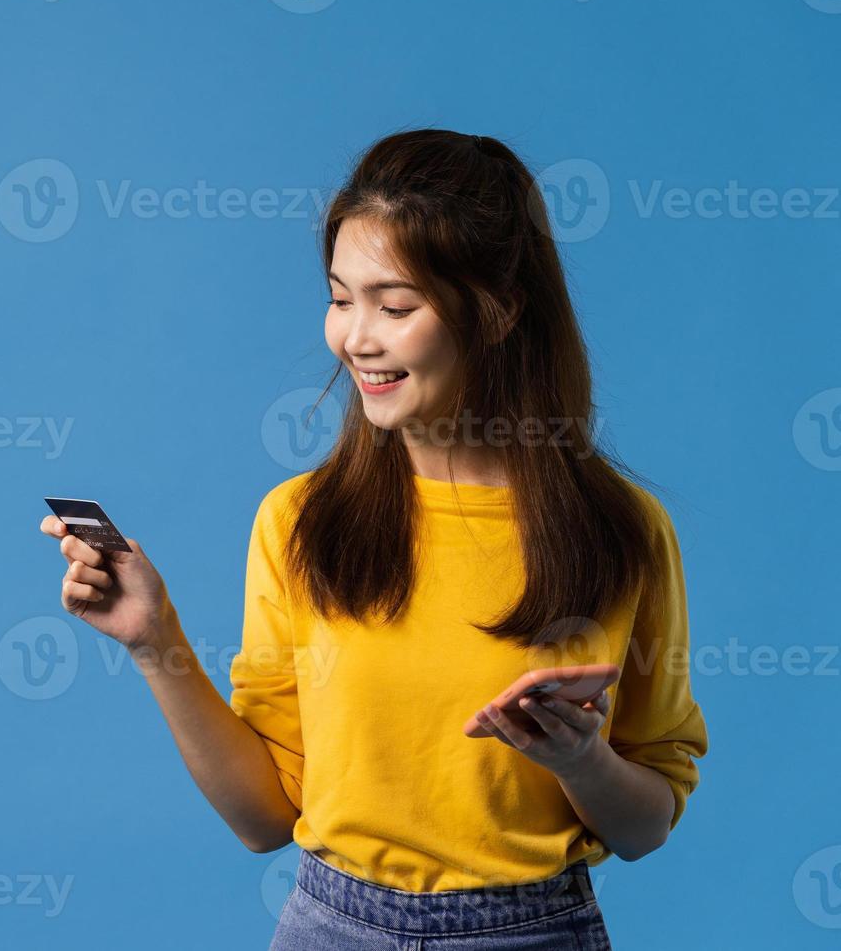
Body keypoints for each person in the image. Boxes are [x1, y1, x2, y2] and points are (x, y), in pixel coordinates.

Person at [39, 129, 707, 949]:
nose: (356, 337)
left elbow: (646, 826)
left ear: (496, 313)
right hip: (329, 926)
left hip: (531, 931)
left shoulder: (624, 533)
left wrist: (581, 761)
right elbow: (264, 821)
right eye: (339, 297)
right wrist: (155, 641)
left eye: (394, 307)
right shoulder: (298, 521)